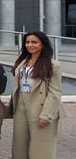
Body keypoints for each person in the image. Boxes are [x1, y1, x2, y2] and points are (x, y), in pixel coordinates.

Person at [11, 31, 64, 159]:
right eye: (27, 42)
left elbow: (55, 92)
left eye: (34, 42)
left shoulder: (53, 65)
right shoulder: (22, 62)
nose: (30, 45)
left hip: (41, 108)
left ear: (42, 44)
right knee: (20, 148)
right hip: (21, 108)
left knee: (40, 149)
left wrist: (47, 115)